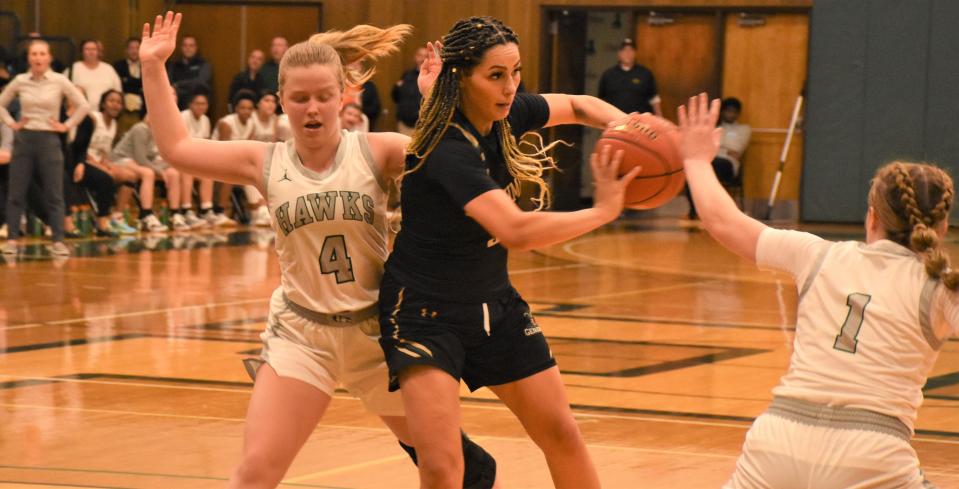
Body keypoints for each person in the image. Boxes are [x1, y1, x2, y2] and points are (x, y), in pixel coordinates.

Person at [140, 12, 500, 488]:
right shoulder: (263, 160)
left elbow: (454, 162)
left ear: (343, 96)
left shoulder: (376, 151)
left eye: (324, 97)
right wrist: (152, 66)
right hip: (302, 335)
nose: (312, 109)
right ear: (282, 101)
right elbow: (177, 147)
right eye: (300, 98)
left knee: (451, 465)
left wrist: (435, 100)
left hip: (379, 336)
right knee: (254, 473)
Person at [379, 16, 642, 488]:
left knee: (562, 432)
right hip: (424, 312)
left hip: (494, 305)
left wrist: (628, 126)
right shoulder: (445, 146)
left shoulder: (506, 114)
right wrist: (604, 211)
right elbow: (516, 230)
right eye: (496, 76)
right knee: (443, 466)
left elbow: (580, 105)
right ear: (462, 79)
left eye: (515, 72)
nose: (510, 87)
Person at [678, 93, 951, 489]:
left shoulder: (817, 254)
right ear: (941, 229)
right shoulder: (941, 287)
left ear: (871, 217)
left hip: (777, 441)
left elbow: (722, 221)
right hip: (872, 455)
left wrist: (695, 160)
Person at [0, 39, 89, 256]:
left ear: (49, 57)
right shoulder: (20, 81)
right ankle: (11, 240)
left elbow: (83, 106)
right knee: (17, 192)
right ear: (29, 58)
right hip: (24, 139)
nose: (38, 58)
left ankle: (58, 240)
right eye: (34, 54)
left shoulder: (59, 81)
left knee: (54, 192)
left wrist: (65, 126)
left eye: (42, 54)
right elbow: (1, 104)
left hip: (49, 140)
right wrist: (12, 123)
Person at [684, 96, 751, 219]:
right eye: (728, 111)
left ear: (738, 113)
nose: (731, 114)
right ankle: (695, 209)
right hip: (709, 160)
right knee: (691, 169)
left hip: (728, 165)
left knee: (714, 166)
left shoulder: (744, 129)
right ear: (722, 111)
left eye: (734, 111)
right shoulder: (713, 127)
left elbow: (737, 149)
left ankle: (711, 211)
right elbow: (706, 144)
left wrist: (716, 146)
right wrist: (726, 148)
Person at [179, 92, 217, 229]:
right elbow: (180, 143)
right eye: (198, 103)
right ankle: (186, 210)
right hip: (180, 158)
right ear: (191, 105)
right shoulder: (183, 117)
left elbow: (205, 143)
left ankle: (206, 210)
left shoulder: (205, 120)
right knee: (187, 172)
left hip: (195, 159)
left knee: (208, 173)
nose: (201, 106)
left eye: (204, 104)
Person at [598, 38, 662, 117]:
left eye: (631, 50)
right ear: (619, 53)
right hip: (615, 121)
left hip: (641, 123)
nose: (627, 53)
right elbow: (601, 102)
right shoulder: (608, 75)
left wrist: (660, 119)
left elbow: (654, 99)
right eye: (624, 50)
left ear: (635, 53)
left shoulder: (645, 74)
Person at [65, 39, 122, 108]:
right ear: (82, 52)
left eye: (94, 49)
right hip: (80, 113)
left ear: (98, 52)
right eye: (87, 49)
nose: (91, 52)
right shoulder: (73, 68)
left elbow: (118, 91)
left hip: (104, 114)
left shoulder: (109, 69)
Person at [168, 35, 211, 110]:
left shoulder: (203, 64)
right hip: (177, 103)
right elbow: (170, 84)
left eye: (191, 45)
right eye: (185, 45)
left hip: (196, 105)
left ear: (196, 48)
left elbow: (201, 82)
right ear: (181, 48)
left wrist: (179, 85)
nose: (188, 48)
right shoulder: (174, 64)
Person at [391, 45, 427, 135]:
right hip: (404, 124)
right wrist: (397, 87)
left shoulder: (432, 76)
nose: (422, 59)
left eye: (425, 56)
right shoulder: (407, 75)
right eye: (420, 55)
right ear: (415, 57)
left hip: (423, 125)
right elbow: (396, 96)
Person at [114, 37, 144, 118]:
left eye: (137, 48)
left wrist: (128, 81)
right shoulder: (118, 65)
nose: (134, 51)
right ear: (126, 50)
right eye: (131, 48)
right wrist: (138, 83)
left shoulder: (147, 66)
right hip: (123, 104)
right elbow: (119, 86)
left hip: (143, 106)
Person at [261, 36, 288, 100]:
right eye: (273, 45)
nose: (276, 48)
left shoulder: (293, 67)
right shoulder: (264, 68)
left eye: (279, 45)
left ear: (286, 48)